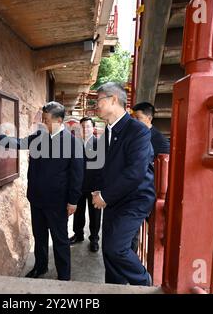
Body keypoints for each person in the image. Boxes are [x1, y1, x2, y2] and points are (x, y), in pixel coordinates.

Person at [0, 101, 84, 281]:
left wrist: (73, 201)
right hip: (37, 198)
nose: (43, 123)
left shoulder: (73, 143)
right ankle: (40, 266)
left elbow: (77, 175)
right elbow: (20, 142)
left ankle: (64, 275)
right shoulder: (39, 136)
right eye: (43, 119)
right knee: (40, 236)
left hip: (58, 201)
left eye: (46, 119)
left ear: (59, 120)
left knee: (60, 239)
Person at [91, 82, 155, 286]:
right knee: (108, 250)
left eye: (98, 100)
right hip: (115, 197)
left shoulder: (138, 130)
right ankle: (114, 288)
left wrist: (104, 196)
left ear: (113, 100)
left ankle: (144, 283)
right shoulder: (107, 132)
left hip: (135, 198)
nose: (96, 105)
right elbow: (102, 168)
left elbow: (135, 173)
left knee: (116, 247)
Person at [131, 102, 170, 253]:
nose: (134, 121)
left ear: (149, 119)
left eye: (138, 118)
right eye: (133, 118)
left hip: (148, 191)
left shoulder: (160, 141)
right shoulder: (135, 135)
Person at [69, 117, 102, 252]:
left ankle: (94, 239)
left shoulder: (99, 145)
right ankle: (78, 234)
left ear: (93, 129)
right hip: (78, 185)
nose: (85, 129)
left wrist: (100, 188)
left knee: (95, 214)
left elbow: (102, 168)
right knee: (78, 211)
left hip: (94, 186)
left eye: (88, 126)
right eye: (82, 127)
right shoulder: (75, 144)